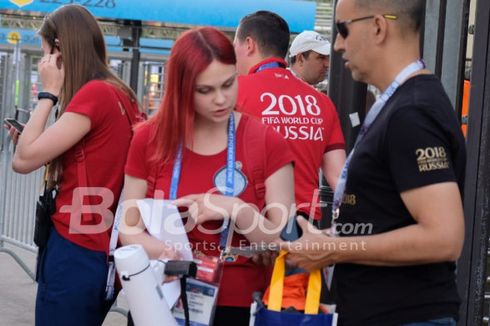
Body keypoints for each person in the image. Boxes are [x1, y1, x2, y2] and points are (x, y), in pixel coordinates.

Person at [278, 0, 466, 325]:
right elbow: (387, 218)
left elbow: (444, 238)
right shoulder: (401, 105)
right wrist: (327, 240)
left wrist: (335, 250)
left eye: (342, 30)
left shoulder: (412, 112)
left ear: (378, 26)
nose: (337, 46)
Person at [120, 27, 295, 326]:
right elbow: (128, 227)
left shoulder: (267, 140)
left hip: (237, 304)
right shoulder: (149, 138)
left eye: (228, 84)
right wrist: (166, 252)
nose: (221, 99)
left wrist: (235, 209)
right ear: (182, 88)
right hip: (160, 297)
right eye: (206, 90)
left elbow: (279, 239)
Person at [5, 5, 143, 325]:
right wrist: (36, 144)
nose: (43, 63)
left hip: (76, 248)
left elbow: (22, 162)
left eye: (45, 55)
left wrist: (48, 93)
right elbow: (93, 157)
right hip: (100, 245)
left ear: (60, 51)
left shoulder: (94, 94)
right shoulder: (119, 92)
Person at [234, 10, 346, 223]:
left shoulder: (233, 93)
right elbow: (340, 178)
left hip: (248, 223)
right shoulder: (321, 103)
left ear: (249, 44)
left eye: (235, 46)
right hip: (302, 225)